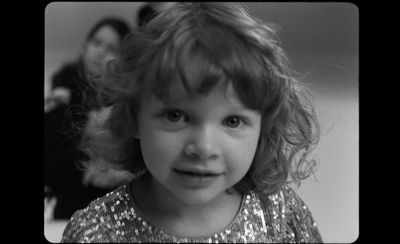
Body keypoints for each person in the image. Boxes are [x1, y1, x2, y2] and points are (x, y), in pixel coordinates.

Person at [61, 3, 322, 242]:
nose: (203, 147)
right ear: (134, 118)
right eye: (176, 116)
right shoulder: (92, 232)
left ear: (263, 128)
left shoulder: (282, 214)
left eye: (232, 121)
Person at [44, 16, 133, 220]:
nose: (100, 52)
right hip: (69, 214)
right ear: (85, 46)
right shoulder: (61, 95)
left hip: (117, 213)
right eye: (96, 42)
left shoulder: (130, 105)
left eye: (111, 48)